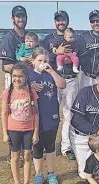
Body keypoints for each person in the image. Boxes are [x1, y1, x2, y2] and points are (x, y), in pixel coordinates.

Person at [42, 10, 77, 161]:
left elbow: (79, 55)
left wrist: (71, 59)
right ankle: (47, 145)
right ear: (55, 22)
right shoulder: (48, 39)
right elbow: (42, 57)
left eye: (63, 20)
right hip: (52, 80)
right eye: (58, 20)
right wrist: (57, 52)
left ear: (67, 21)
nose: (60, 22)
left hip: (71, 79)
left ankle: (66, 146)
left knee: (69, 114)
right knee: (50, 113)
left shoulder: (74, 37)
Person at [28, 47, 66, 184]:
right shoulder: (29, 75)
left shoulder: (51, 73)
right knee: (37, 147)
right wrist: (30, 86)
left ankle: (51, 173)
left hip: (51, 115)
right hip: (35, 117)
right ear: (33, 61)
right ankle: (38, 174)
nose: (42, 63)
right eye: (39, 60)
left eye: (45, 60)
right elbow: (18, 88)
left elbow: (62, 84)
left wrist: (51, 71)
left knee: (50, 146)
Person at [1, 63, 39, 184]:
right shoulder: (8, 92)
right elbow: (4, 114)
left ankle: (26, 183)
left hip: (28, 129)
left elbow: (35, 114)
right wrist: (5, 133)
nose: (17, 79)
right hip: (13, 129)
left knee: (28, 156)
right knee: (15, 156)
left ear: (26, 77)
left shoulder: (31, 92)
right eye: (14, 76)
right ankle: (17, 183)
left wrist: (35, 132)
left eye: (20, 76)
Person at [0, 5, 28, 166]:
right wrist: (22, 70)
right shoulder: (8, 38)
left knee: (26, 112)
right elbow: (6, 65)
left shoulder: (29, 37)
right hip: (13, 81)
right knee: (13, 114)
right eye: (18, 16)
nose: (20, 19)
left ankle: (25, 150)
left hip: (26, 81)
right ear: (13, 19)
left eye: (23, 16)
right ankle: (13, 151)